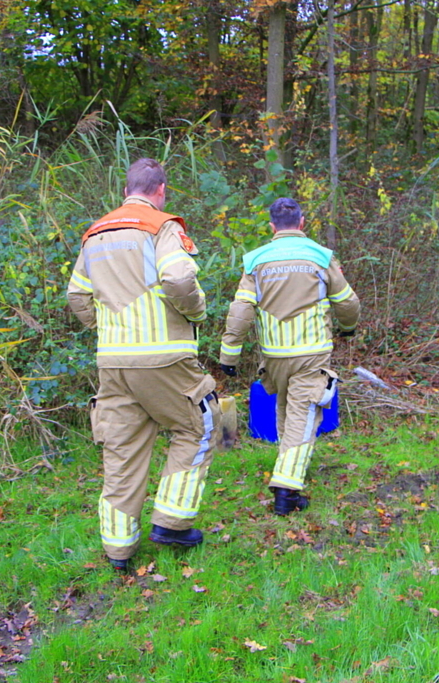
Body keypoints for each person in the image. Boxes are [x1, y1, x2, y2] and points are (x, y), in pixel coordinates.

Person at [67, 158, 221, 571]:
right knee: (201, 423)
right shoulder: (162, 226)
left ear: (125, 191)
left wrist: (109, 327)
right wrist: (196, 313)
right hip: (163, 355)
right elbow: (178, 280)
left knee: (122, 449)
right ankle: (172, 521)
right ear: (161, 190)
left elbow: (77, 296)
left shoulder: (95, 234)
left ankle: (118, 550)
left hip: (112, 360)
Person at [219, 197, 360, 515]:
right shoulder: (320, 257)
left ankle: (289, 476)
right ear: (302, 222)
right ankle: (286, 490)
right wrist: (348, 328)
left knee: (287, 412)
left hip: (275, 356)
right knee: (303, 416)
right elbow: (348, 303)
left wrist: (229, 355)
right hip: (311, 353)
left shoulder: (256, 260)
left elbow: (241, 311)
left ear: (272, 227)